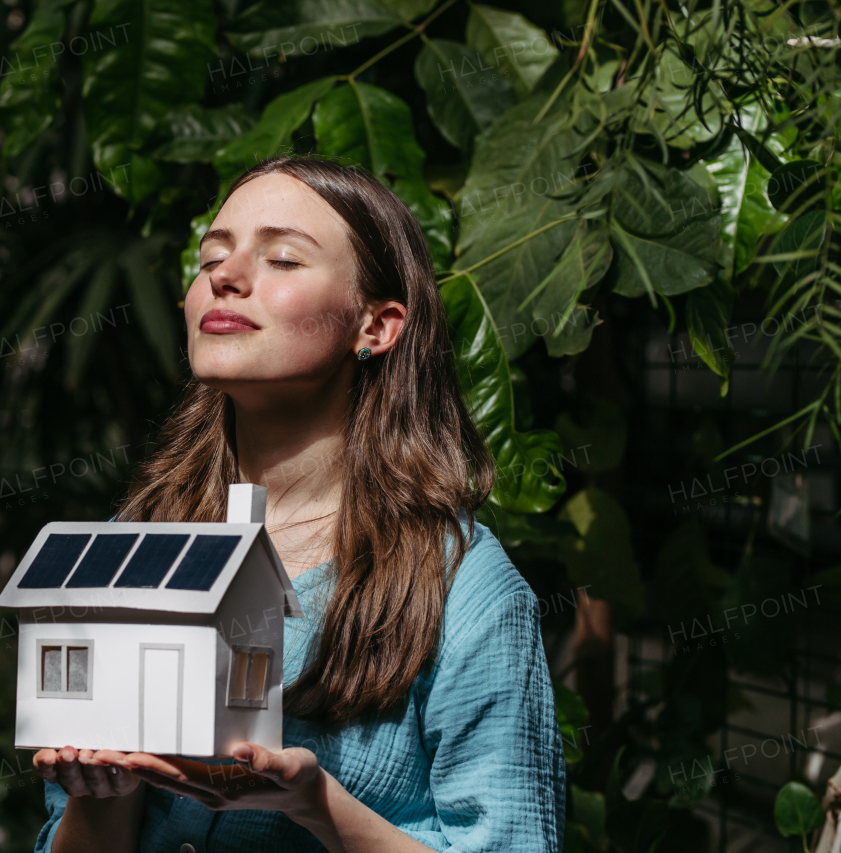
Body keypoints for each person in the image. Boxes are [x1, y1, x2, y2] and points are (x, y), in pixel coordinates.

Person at [30, 155, 565, 852]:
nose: (224, 276)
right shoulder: (133, 544)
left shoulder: (463, 588)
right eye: (211, 257)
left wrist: (317, 806)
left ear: (377, 325)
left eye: (282, 258)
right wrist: (105, 795)